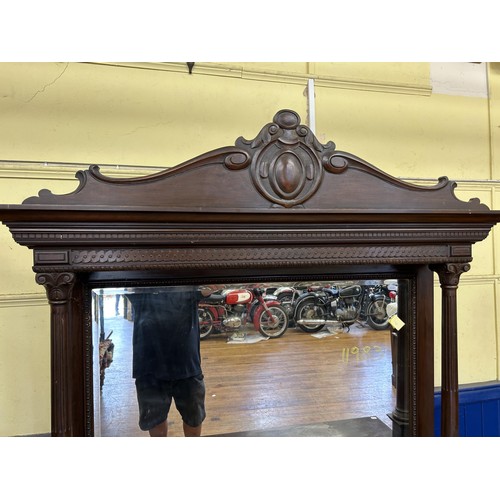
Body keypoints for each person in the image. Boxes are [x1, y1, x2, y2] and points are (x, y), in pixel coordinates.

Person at [126, 284, 216, 437]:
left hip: (185, 363)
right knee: (156, 423)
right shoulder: (141, 274)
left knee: (193, 420)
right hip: (151, 364)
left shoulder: (184, 276)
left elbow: (210, 286)